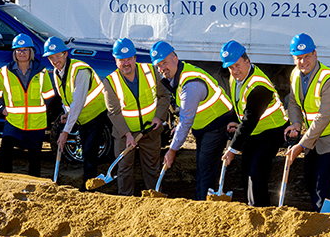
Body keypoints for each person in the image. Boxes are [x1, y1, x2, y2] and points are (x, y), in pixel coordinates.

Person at [152, 40, 236, 201]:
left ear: (175, 59)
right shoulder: (180, 75)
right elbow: (187, 113)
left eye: (164, 63)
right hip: (205, 125)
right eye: (158, 66)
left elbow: (186, 121)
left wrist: (172, 150)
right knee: (203, 166)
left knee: (205, 168)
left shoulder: (190, 84)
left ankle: (203, 205)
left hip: (216, 124)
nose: (162, 68)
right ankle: (203, 199)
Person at [284, 33, 330, 212]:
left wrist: (300, 145)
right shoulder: (295, 75)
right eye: (298, 58)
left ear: (315, 54)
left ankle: (325, 219)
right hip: (314, 138)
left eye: (307, 56)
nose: (303, 61)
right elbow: (293, 103)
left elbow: (323, 117)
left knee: (322, 177)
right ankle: (319, 213)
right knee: (308, 176)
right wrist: (297, 123)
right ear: (293, 58)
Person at [220, 40, 288, 207]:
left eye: (237, 65)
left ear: (247, 61)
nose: (235, 71)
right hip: (254, 132)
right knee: (247, 172)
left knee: (257, 170)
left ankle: (261, 211)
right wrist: (235, 122)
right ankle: (251, 208)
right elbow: (241, 107)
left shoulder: (259, 85)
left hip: (272, 131)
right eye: (231, 67)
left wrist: (232, 149)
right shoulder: (235, 78)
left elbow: (250, 118)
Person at [103, 38, 171, 196]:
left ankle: (155, 198)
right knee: (124, 169)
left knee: (152, 168)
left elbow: (164, 96)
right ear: (116, 61)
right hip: (124, 134)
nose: (126, 63)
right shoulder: (110, 82)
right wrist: (127, 135)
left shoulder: (151, 71)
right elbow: (114, 112)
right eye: (122, 60)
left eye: (129, 59)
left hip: (151, 131)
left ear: (135, 58)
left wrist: (158, 118)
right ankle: (125, 202)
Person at [0, 34, 55, 177]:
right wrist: (0, 108)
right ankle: (5, 181)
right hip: (14, 121)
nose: (21, 53)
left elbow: (48, 96)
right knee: (5, 151)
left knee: (35, 158)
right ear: (14, 53)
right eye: (18, 50)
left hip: (37, 123)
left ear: (31, 52)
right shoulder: (5, 72)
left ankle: (34, 186)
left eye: (25, 50)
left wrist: (42, 111)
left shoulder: (41, 71)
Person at [44, 36, 108, 188]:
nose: (55, 60)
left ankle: (89, 186)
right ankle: (89, 182)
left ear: (65, 54)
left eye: (58, 56)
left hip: (96, 113)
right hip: (82, 117)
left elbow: (78, 102)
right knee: (86, 151)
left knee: (89, 151)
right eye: (51, 57)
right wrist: (67, 113)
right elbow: (66, 98)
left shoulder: (80, 70)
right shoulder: (57, 71)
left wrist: (65, 132)